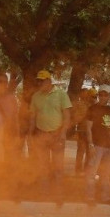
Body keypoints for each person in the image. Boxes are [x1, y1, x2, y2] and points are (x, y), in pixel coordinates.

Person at [27, 70, 72, 203]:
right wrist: (30, 134)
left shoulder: (61, 94)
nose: (39, 83)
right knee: (43, 166)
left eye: (42, 80)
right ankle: (44, 193)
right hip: (41, 134)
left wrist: (63, 133)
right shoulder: (36, 96)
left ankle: (58, 194)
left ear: (49, 81)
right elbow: (32, 117)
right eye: (38, 81)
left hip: (57, 134)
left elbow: (67, 115)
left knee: (58, 166)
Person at [84, 86, 110, 204]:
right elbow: (88, 128)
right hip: (96, 145)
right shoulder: (92, 109)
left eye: (106, 95)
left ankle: (105, 197)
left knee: (106, 173)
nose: (103, 97)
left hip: (108, 145)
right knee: (92, 172)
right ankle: (90, 197)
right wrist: (90, 145)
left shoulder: (109, 109)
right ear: (99, 95)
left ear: (109, 96)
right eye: (101, 94)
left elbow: (109, 125)